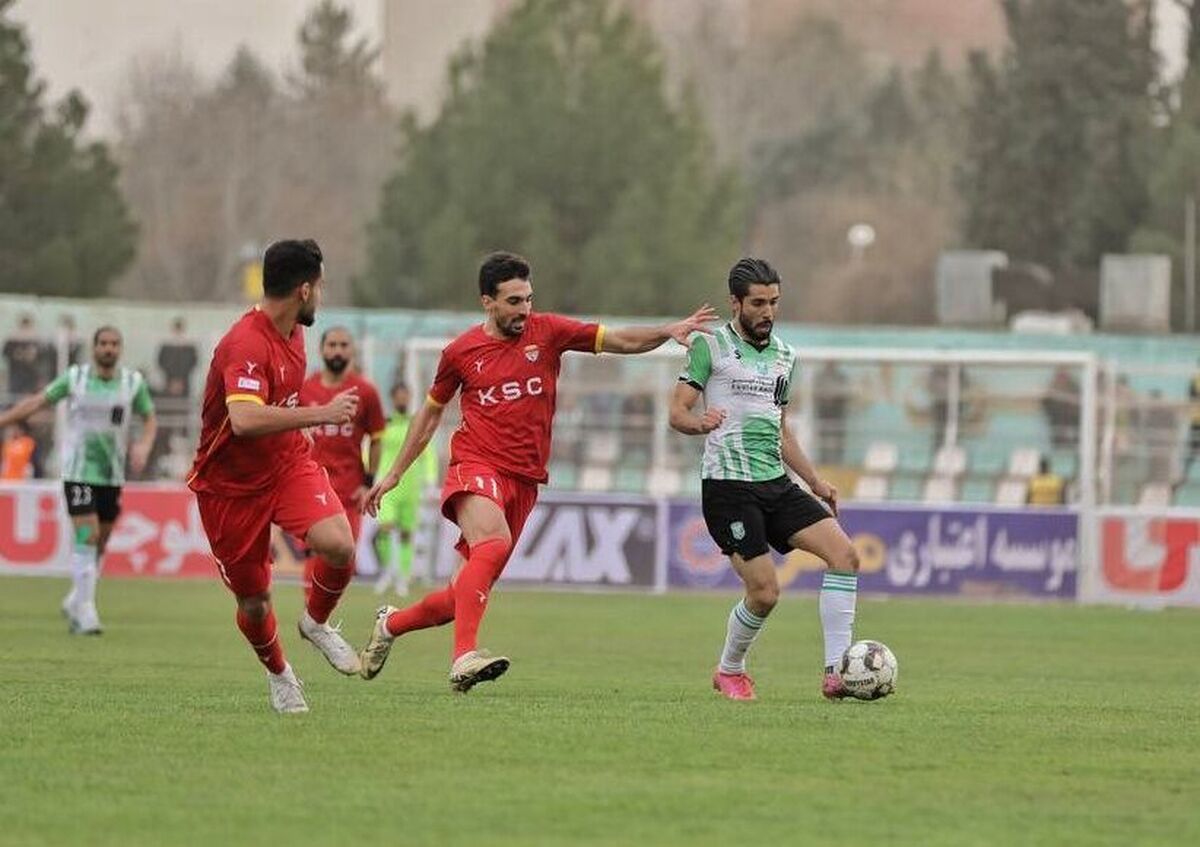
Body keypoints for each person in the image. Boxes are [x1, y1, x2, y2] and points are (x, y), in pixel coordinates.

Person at [358, 250, 717, 692]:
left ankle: (391, 624)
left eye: (528, 299)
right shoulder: (460, 353)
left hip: (525, 480)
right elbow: (430, 415)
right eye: (513, 301)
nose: (524, 309)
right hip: (475, 464)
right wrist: (394, 474)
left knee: (459, 597)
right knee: (492, 542)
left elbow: (620, 341)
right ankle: (463, 657)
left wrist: (667, 330)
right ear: (487, 301)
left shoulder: (549, 332)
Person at [669, 257, 861, 702]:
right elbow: (677, 412)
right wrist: (699, 424)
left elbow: (781, 429)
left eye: (774, 302)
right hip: (728, 488)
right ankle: (729, 669)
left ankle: (837, 673)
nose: (768, 312)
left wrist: (815, 481)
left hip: (775, 482)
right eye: (758, 303)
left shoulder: (786, 357)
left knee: (845, 555)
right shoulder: (710, 347)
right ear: (735, 303)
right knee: (765, 592)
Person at [187, 239, 362, 714]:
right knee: (255, 603)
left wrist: (298, 434)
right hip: (229, 488)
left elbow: (277, 403)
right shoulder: (245, 344)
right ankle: (280, 673)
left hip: (284, 463)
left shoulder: (294, 331)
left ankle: (316, 623)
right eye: (320, 288)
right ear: (304, 290)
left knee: (340, 545)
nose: (321, 297)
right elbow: (243, 421)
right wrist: (317, 414)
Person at [0, 326, 157, 634]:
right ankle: (86, 612)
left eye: (114, 343)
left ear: (120, 349)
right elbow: (37, 402)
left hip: (112, 474)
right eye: (103, 343)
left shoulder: (132, 383)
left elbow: (149, 417)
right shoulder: (75, 378)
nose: (109, 348)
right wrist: (4, 419)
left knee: (102, 539)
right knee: (87, 534)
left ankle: (76, 597)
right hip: (79, 472)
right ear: (94, 347)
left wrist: (144, 445)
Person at [298, 326, 386, 599]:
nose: (337, 350)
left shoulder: (366, 391)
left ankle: (318, 618)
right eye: (332, 344)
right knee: (315, 552)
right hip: (311, 488)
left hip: (348, 491)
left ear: (352, 350)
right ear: (321, 349)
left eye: (343, 345)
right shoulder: (304, 389)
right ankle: (313, 618)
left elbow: (377, 437)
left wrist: (367, 483)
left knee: (343, 556)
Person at [372, 382, 438, 597]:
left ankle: (403, 577)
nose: (402, 399)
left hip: (411, 486)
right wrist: (370, 475)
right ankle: (386, 572)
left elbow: (427, 453)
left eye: (405, 395)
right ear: (392, 398)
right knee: (385, 528)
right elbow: (371, 448)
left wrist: (430, 481)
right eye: (398, 396)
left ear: (409, 397)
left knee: (406, 534)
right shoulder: (384, 424)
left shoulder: (416, 422)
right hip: (387, 485)